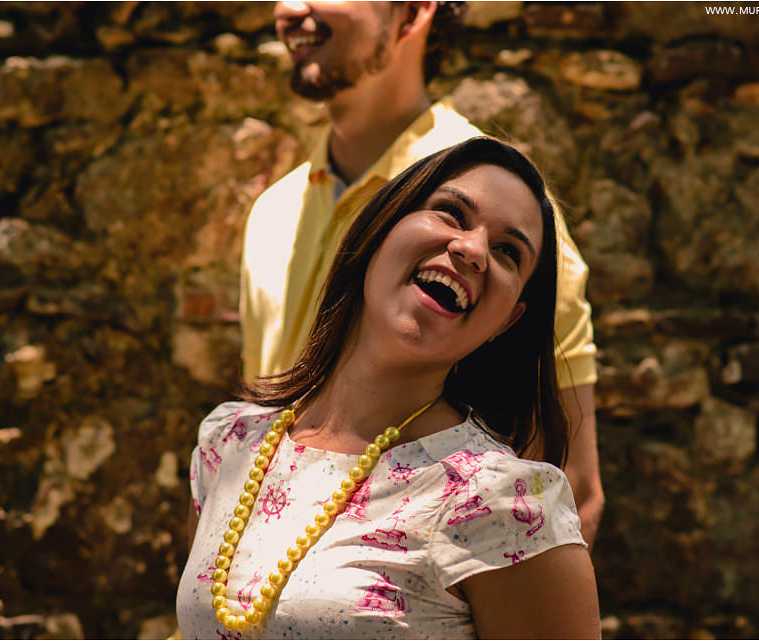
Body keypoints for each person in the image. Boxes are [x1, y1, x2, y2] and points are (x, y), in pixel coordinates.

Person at [180, 138, 600, 638]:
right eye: (451, 213)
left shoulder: (506, 506)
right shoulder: (228, 445)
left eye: (508, 252)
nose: (472, 249)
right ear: (381, 227)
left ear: (507, 322)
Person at [240, 1, 603, 547]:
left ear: (412, 13)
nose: (290, 9)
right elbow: (253, 440)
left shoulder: (512, 228)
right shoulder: (272, 211)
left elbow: (568, 486)